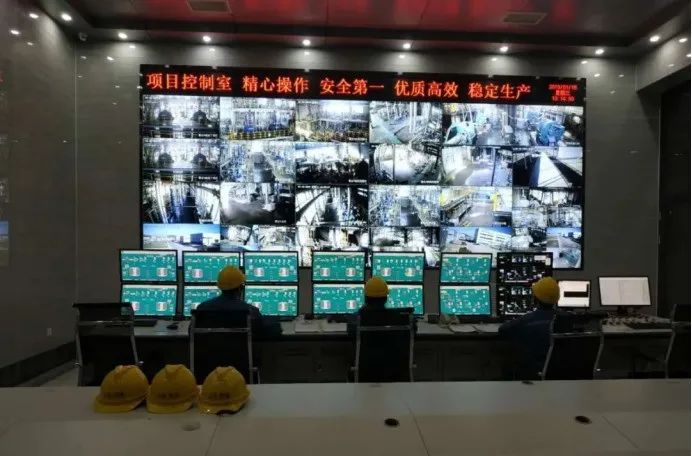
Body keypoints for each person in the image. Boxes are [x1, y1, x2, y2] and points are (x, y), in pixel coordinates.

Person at [498, 276, 560, 380]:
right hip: (559, 376)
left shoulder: (526, 321)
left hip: (530, 376)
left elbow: (502, 330)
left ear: (535, 298)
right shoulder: (565, 320)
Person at [195, 266, 281, 338]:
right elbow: (265, 332)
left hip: (209, 353)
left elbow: (191, 332)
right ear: (241, 288)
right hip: (241, 354)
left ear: (220, 287)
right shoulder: (251, 311)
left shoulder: (202, 308)